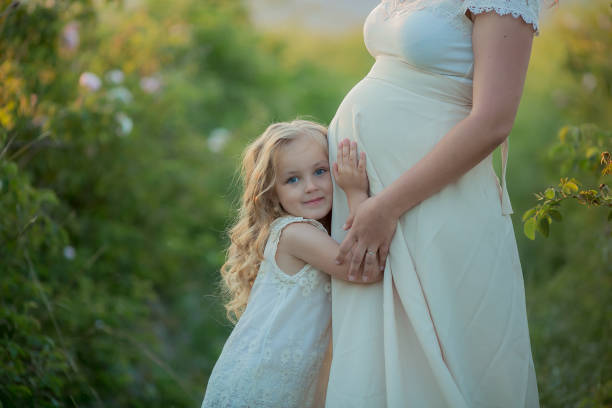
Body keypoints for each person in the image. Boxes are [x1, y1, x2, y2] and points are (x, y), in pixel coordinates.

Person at [325, 0, 541, 406]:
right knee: (376, 356)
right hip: (369, 199)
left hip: (432, 200)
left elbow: (493, 121)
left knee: (445, 358)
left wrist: (386, 206)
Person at [201, 120, 379, 408]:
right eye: (292, 179)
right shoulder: (294, 232)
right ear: (273, 193)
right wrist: (357, 194)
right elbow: (360, 269)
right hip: (260, 382)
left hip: (283, 383)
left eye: (320, 172)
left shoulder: (313, 232)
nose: (311, 187)